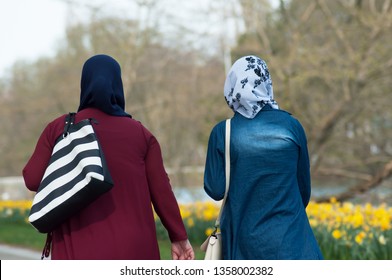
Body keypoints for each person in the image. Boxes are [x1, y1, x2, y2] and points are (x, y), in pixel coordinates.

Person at [23, 54, 194, 260]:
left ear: (84, 84)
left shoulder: (60, 128)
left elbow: (32, 180)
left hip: (76, 251)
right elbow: (162, 192)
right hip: (134, 251)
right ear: (117, 85)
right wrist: (179, 237)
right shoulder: (141, 134)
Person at [203, 55, 323, 259]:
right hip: (295, 244)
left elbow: (215, 189)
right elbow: (304, 193)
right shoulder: (292, 127)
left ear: (232, 87)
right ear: (266, 83)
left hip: (245, 247)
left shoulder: (223, 132)